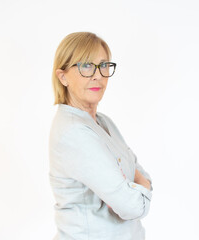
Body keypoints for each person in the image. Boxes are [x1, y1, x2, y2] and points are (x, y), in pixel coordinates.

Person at [49, 32, 153, 240]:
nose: (98, 75)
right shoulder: (75, 132)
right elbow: (133, 206)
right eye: (86, 66)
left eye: (103, 65)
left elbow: (140, 173)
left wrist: (134, 186)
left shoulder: (102, 121)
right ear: (63, 77)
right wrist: (135, 187)